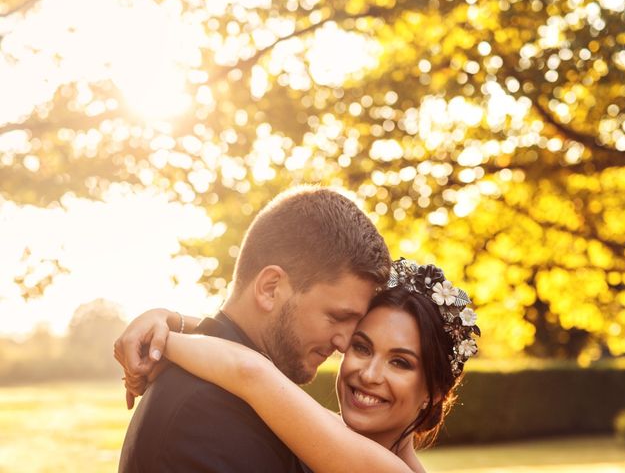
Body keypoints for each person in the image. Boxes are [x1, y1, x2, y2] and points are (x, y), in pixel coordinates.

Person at [115, 185, 391, 473]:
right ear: (270, 288)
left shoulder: (260, 396)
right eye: (336, 316)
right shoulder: (206, 412)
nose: (344, 343)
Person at [117, 259, 480, 473]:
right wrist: (171, 318)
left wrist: (161, 342)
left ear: (433, 392)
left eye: (401, 362)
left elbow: (251, 372)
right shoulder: (316, 427)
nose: (368, 375)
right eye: (361, 347)